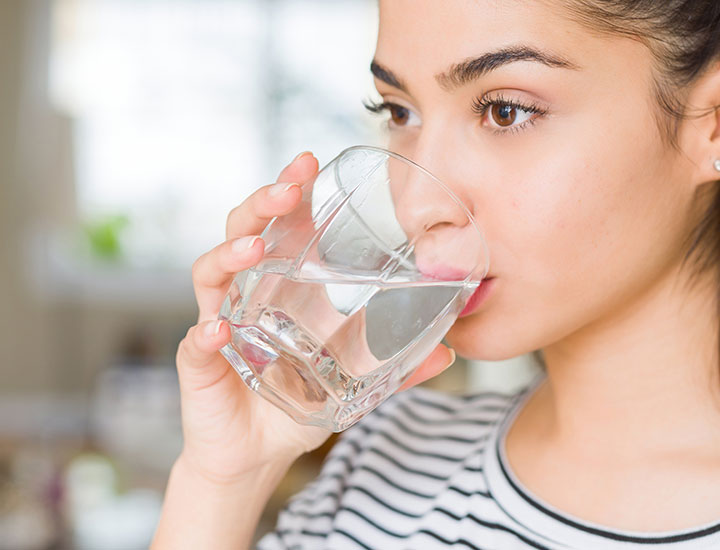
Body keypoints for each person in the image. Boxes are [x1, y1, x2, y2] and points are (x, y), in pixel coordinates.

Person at [151, 1, 720, 548]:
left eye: (505, 111)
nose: (418, 202)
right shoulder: (389, 456)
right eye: (399, 112)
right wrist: (224, 481)